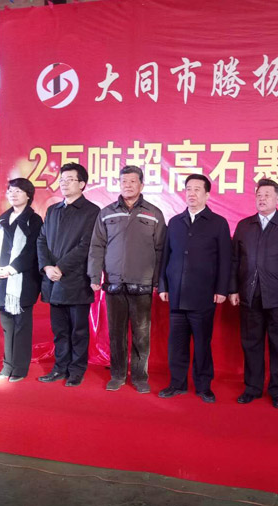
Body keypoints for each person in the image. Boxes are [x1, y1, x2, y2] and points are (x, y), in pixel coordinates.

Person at [229, 179, 278, 409]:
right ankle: (252, 388)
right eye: (259, 195)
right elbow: (234, 261)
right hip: (250, 295)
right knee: (251, 344)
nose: (262, 199)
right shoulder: (245, 226)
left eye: (267, 195)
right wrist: (233, 289)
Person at [88, 166, 166, 392]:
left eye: (132, 181)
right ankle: (118, 375)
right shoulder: (107, 213)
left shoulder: (154, 213)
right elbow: (97, 246)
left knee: (141, 335)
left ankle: (140, 377)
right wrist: (94, 275)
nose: (128, 185)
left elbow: (161, 250)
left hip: (142, 284)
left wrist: (157, 281)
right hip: (114, 284)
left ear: (141, 185)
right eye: (124, 181)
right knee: (116, 334)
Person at [157, 174, 231, 403]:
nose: (192, 193)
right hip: (177, 294)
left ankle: (203, 386)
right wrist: (163, 285)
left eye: (197, 189)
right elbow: (166, 256)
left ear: (207, 195)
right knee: (176, 344)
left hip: (203, 295)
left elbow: (225, 260)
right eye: (188, 188)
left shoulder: (218, 223)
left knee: (202, 344)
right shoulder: (175, 222)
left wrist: (222, 289)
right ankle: (177, 384)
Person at [37, 163, 100, 387]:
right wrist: (47, 267)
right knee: (59, 330)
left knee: (78, 331)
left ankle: (76, 370)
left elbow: (87, 246)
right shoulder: (53, 210)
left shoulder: (92, 211)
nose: (63, 183)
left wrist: (61, 267)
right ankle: (59, 367)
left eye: (69, 179)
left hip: (76, 280)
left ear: (82, 184)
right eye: (62, 179)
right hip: (52, 280)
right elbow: (42, 240)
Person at [0, 178, 43, 382]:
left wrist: (12, 269)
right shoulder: (3, 218)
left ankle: (19, 369)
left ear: (28, 195)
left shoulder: (34, 220)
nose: (13, 194)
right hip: (2, 281)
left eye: (18, 191)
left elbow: (32, 250)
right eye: (10, 191)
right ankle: (6, 367)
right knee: (6, 326)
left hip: (23, 282)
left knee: (21, 327)